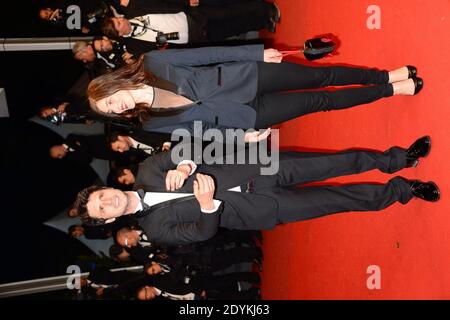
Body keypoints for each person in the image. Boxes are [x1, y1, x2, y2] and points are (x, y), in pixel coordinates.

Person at [73, 137, 440, 246]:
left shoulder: (149, 168)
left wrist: (184, 164)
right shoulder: (155, 230)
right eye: (103, 209)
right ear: (111, 218)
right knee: (337, 201)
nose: (107, 201)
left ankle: (398, 159)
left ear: (106, 187)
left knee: (336, 161)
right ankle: (404, 190)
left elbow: (190, 149)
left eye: (101, 196)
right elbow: (202, 232)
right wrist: (205, 206)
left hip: (257, 166)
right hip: (261, 208)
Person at [87, 45, 424, 142]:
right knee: (320, 102)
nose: (118, 106)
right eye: (111, 110)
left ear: (114, 84)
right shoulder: (148, 123)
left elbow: (208, 55)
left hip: (247, 76)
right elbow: (199, 132)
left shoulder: (154, 62)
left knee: (319, 76)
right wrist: (240, 139)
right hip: (246, 117)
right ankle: (391, 90)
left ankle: (383, 75)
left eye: (111, 99)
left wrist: (256, 54)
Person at [101, 0, 280, 55]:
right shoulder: (133, 46)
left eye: (117, 19)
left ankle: (266, 8)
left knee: (229, 12)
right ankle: (263, 22)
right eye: (118, 24)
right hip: (194, 39)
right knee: (233, 29)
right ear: (120, 34)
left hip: (191, 15)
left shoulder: (134, 8)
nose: (121, 19)